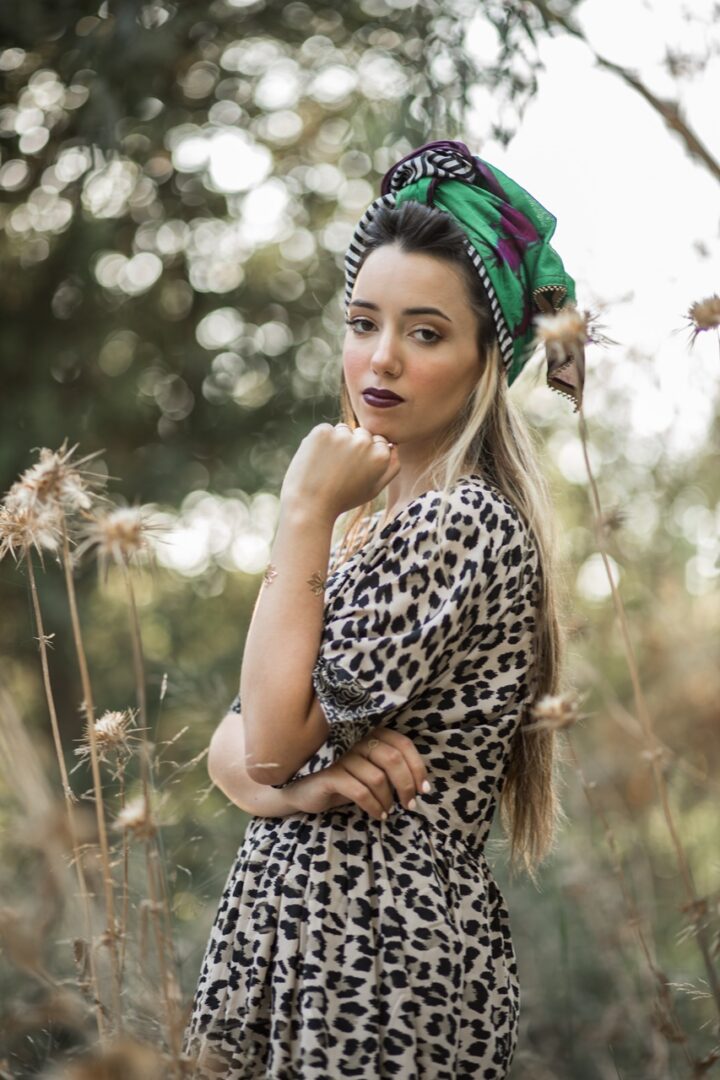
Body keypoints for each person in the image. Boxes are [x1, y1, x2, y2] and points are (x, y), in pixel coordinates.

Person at [182, 139, 584, 1079]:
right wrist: (293, 790)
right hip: (312, 941)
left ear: (486, 361)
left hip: (375, 960)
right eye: (363, 322)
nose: (383, 358)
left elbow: (264, 741)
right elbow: (234, 747)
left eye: (427, 333)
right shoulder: (372, 530)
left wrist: (302, 511)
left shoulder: (455, 524)